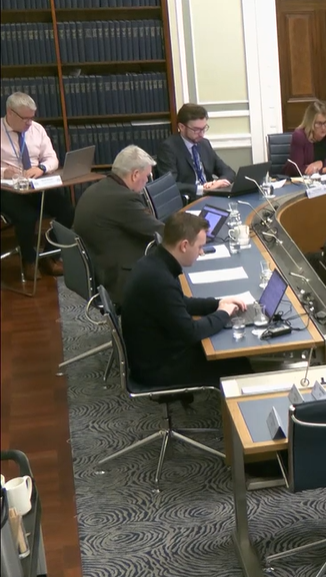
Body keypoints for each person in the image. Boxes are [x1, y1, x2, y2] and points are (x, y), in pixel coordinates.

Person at [120, 212, 250, 388]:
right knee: (240, 365)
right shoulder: (160, 281)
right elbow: (191, 332)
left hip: (156, 352)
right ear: (184, 245)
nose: (202, 253)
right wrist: (223, 314)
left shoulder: (156, 261)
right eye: (199, 247)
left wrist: (218, 303)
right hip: (158, 369)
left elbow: (182, 302)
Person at [73, 145, 163, 303]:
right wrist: (195, 232)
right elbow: (158, 232)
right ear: (135, 174)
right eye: (147, 175)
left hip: (100, 262)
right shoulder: (124, 199)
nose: (148, 180)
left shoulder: (100, 188)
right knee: (171, 253)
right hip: (117, 277)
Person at [0, 92, 72, 277]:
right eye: (25, 118)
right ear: (10, 112)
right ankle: (29, 261)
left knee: (67, 210)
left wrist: (41, 167)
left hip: (35, 185)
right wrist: (3, 172)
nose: (29, 123)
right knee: (26, 217)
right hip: (7, 189)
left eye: (32, 117)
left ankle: (50, 256)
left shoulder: (37, 129)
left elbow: (52, 158)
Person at [156, 103, 235, 198]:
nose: (201, 134)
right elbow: (169, 185)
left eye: (204, 128)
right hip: (189, 200)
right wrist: (202, 189)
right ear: (181, 127)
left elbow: (228, 172)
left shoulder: (204, 143)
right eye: (196, 130)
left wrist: (218, 183)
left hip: (211, 196)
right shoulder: (168, 148)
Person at [286, 100, 326, 177]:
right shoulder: (300, 136)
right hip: (299, 183)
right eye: (319, 123)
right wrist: (324, 170)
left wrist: (321, 163)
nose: (323, 127)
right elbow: (296, 169)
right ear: (310, 123)